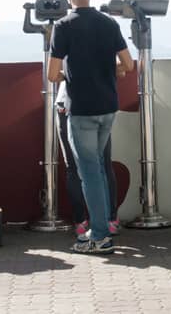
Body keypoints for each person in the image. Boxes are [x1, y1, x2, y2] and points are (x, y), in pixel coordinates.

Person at [49, 0, 133, 255]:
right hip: (108, 107)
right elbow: (129, 64)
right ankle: (102, 228)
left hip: (81, 109)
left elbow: (52, 73)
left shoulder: (63, 26)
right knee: (98, 166)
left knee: (89, 172)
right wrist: (112, 70)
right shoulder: (109, 24)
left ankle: (98, 235)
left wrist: (69, 76)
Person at [56, 76, 118, 239]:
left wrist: (68, 73)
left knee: (76, 167)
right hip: (101, 103)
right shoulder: (108, 48)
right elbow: (124, 66)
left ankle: (82, 222)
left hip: (70, 103)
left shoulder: (66, 49)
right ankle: (109, 220)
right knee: (102, 165)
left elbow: (52, 74)